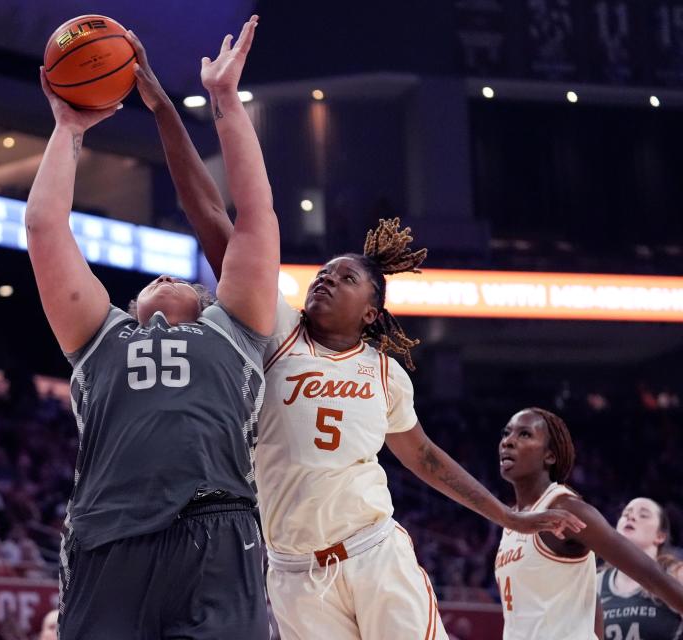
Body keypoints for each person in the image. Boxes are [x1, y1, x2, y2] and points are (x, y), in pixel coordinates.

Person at [128, 30, 585, 640]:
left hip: (373, 554)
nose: (324, 281)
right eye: (321, 274)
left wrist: (507, 514)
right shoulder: (277, 333)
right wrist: (167, 108)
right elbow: (213, 218)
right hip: (292, 572)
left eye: (343, 279)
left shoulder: (383, 372)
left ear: (372, 311)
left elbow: (422, 456)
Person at [29, 15, 277, 639]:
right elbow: (43, 229)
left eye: (184, 282)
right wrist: (67, 129)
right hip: (107, 535)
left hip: (218, 529)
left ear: (206, 296)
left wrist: (225, 102)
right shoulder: (99, 337)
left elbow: (256, 215)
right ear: (132, 302)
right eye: (154, 281)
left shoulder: (238, 329)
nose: (168, 280)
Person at [495, 408, 683, 639]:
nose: (508, 442)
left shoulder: (566, 509)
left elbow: (651, 575)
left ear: (550, 455)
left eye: (524, 434)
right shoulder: (513, 520)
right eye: (506, 433)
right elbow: (590, 601)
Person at [597, 497, 683, 639]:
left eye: (643, 515)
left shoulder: (676, 574)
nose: (631, 517)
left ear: (660, 536)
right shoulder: (596, 583)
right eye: (626, 514)